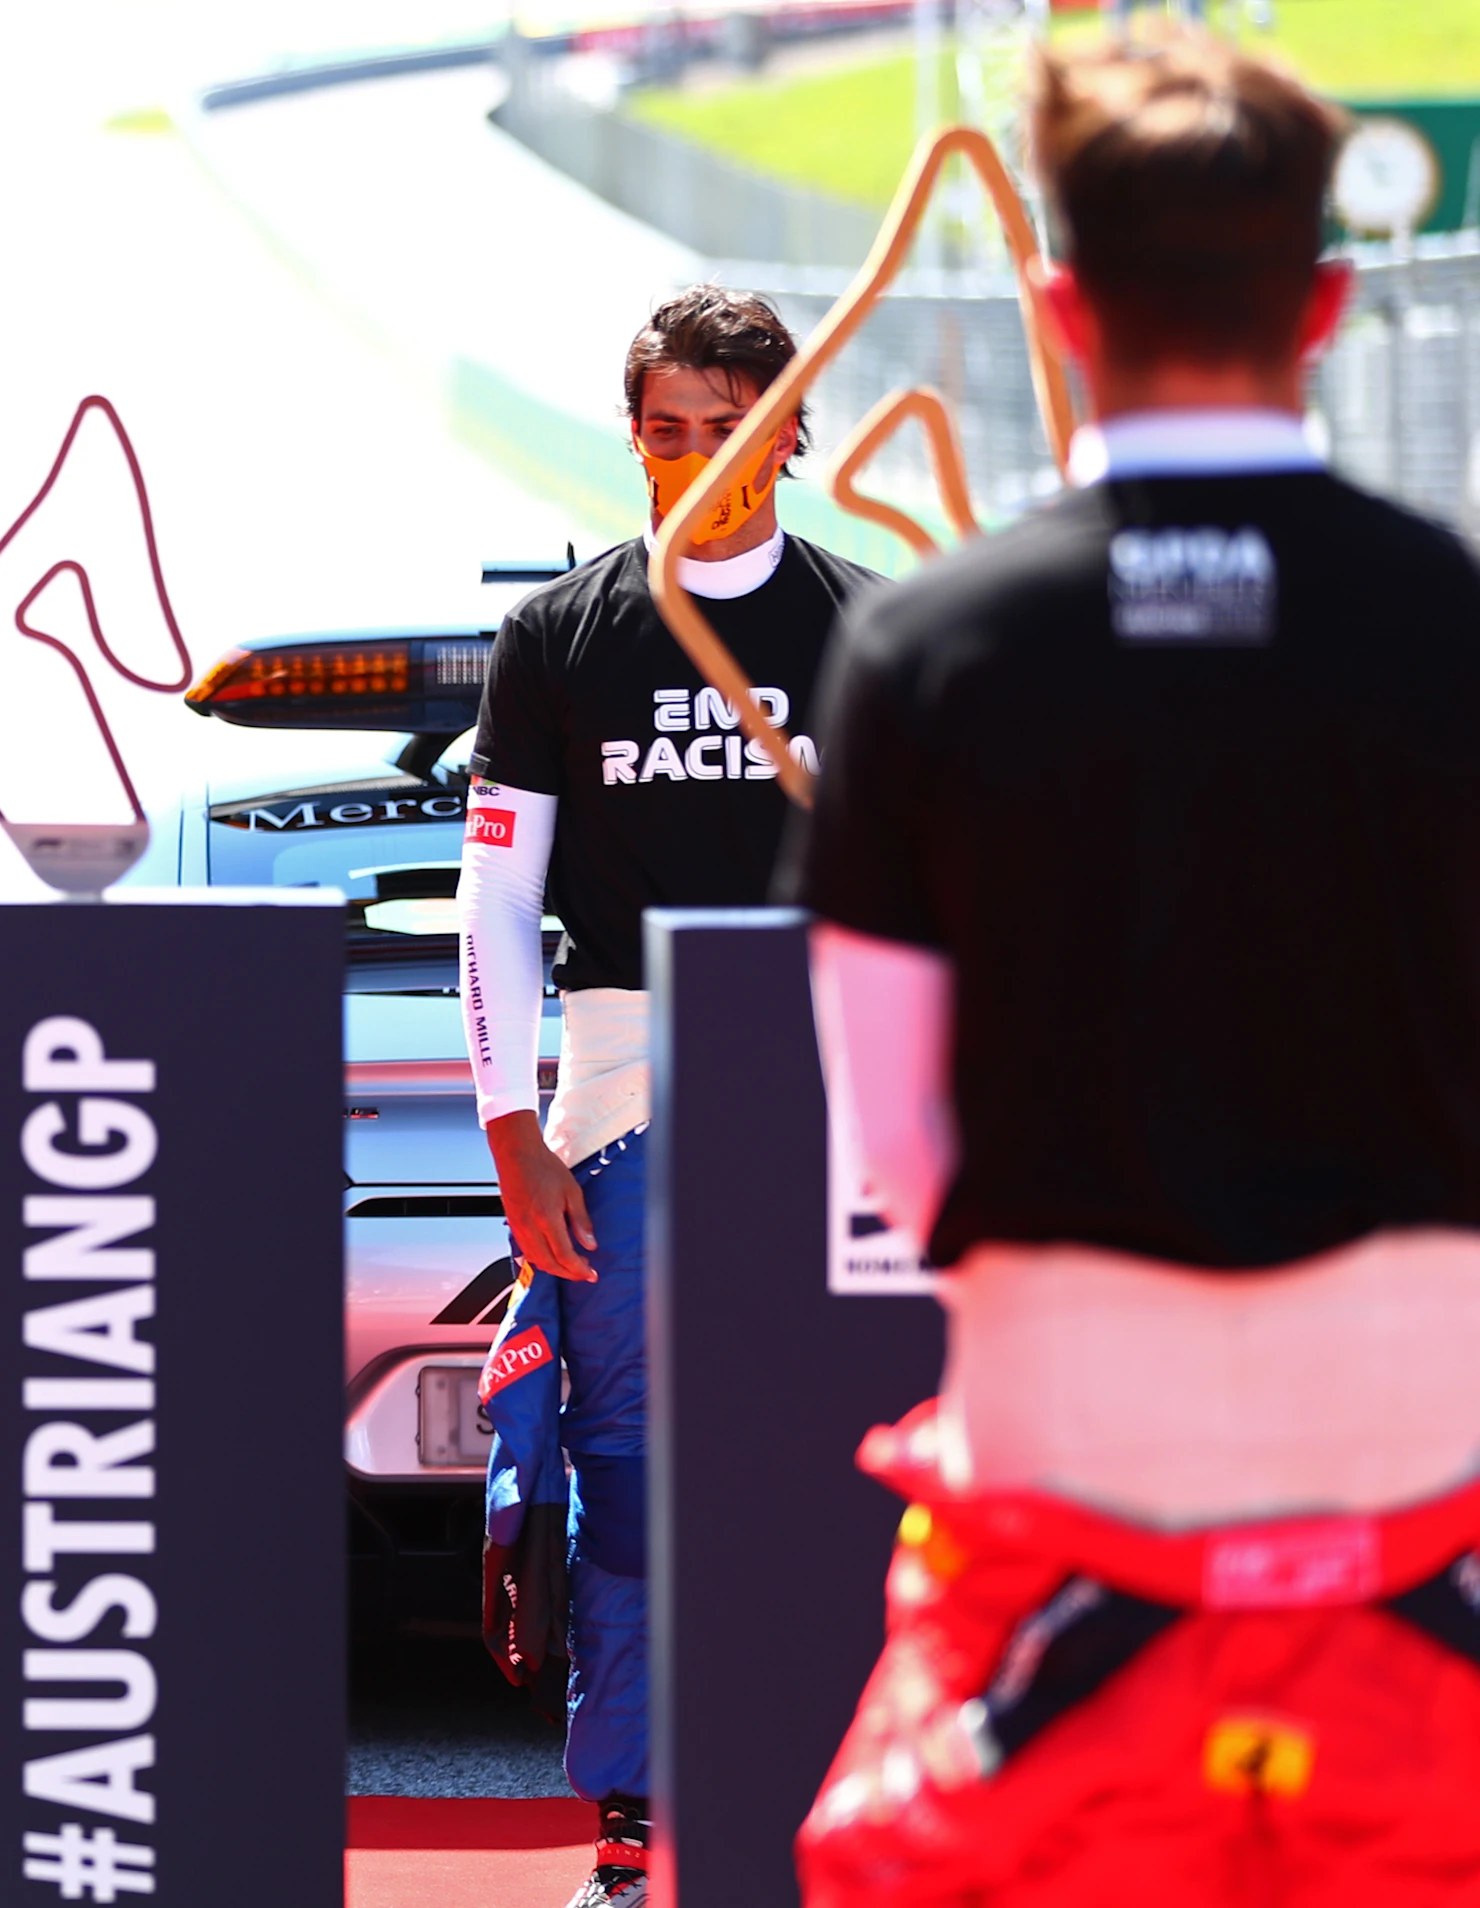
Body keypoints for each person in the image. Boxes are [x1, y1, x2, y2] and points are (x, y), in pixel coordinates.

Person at [789, 33, 1480, 1903]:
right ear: (1328, 304)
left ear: (1059, 302)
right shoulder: (1455, 625)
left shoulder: (924, 652)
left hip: (1064, 1537)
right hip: (1431, 1538)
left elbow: (895, 1149)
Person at [456, 285, 884, 1908]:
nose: (702, 461)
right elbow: (496, 903)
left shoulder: (873, 628)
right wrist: (513, 1137)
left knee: (845, 1451)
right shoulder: (561, 634)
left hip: (828, 1073)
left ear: (794, 434)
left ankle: (845, 1809)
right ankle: (631, 1823)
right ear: (632, 437)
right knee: (627, 1461)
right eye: (668, 430)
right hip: (620, 1082)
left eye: (736, 428)